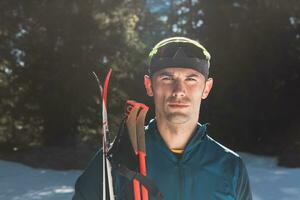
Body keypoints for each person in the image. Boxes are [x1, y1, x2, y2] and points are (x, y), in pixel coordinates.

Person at [73, 37, 253, 200]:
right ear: (149, 85)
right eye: (167, 78)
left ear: (206, 88)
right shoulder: (116, 160)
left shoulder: (230, 167)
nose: (179, 90)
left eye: (191, 79)